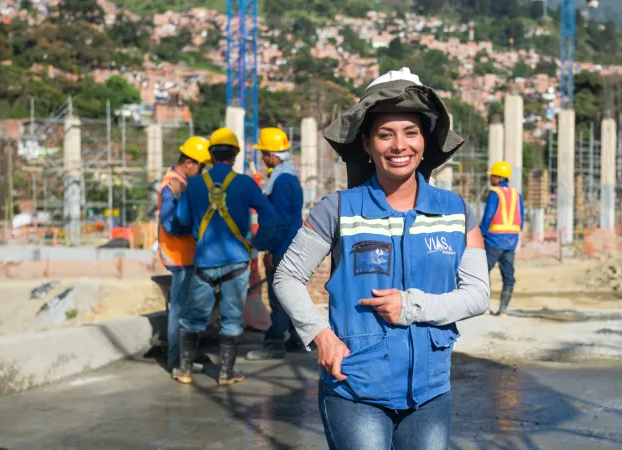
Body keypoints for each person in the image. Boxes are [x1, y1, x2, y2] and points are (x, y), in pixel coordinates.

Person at [273, 67, 491, 449]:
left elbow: (477, 295)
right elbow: (287, 276)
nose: (398, 145)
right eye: (385, 134)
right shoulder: (337, 209)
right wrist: (319, 335)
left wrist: (411, 305)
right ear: (367, 143)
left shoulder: (456, 212)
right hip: (354, 390)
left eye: (410, 132)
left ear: (425, 141)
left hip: (430, 394)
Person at [174, 127, 277, 385]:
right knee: (231, 319)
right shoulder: (244, 184)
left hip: (204, 262)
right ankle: (226, 373)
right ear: (234, 156)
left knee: (193, 317)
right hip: (236, 263)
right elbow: (269, 214)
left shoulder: (195, 184)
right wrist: (259, 243)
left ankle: (185, 371)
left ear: (210, 155)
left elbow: (182, 219)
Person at [246, 128, 306, 360]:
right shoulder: (290, 177)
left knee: (278, 295)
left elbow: (279, 221)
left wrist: (271, 249)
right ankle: (296, 338)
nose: (262, 159)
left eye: (264, 154)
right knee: (290, 294)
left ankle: (275, 343)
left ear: (272, 155)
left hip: (283, 247)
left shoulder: (280, 181)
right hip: (293, 246)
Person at [157, 136, 211, 378]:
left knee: (187, 310)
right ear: (189, 163)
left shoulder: (182, 183)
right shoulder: (172, 185)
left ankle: (185, 354)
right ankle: (176, 360)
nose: (201, 171)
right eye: (201, 166)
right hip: (180, 257)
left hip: (188, 256)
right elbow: (171, 224)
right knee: (178, 311)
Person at [480, 161, 524, 316]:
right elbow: (521, 218)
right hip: (511, 241)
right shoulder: (516, 194)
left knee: (483, 272)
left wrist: (481, 233)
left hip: (493, 240)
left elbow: (488, 216)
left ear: (499, 178)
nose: (491, 178)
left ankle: (484, 307)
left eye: (493, 176)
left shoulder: (495, 193)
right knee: (508, 276)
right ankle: (503, 310)